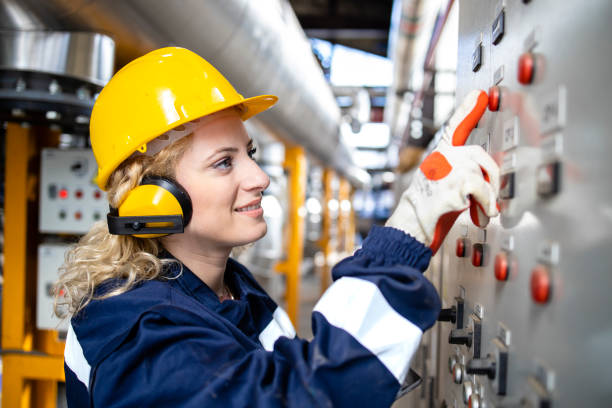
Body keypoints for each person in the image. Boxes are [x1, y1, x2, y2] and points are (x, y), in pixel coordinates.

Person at [55, 47, 499, 407]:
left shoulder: (226, 287)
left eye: (249, 152)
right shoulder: (136, 335)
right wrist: (405, 235)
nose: (260, 178)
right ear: (152, 195)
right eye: (224, 162)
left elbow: (289, 372)